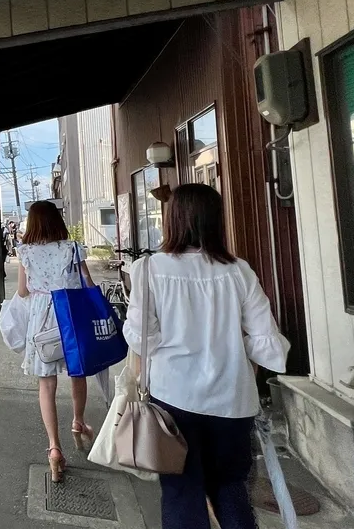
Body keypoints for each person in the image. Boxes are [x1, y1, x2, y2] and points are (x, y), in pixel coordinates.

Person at [123, 184, 289, 529]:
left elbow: (143, 339)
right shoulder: (239, 271)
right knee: (231, 491)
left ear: (173, 221)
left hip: (173, 398)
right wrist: (243, 375)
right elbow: (263, 338)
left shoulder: (149, 269)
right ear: (216, 221)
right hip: (233, 401)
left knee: (182, 491)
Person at [15, 200, 93, 483]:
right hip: (70, 314)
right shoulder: (72, 248)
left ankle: (54, 448)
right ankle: (78, 422)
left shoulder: (26, 252)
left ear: (32, 223)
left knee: (46, 385)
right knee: (77, 373)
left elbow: (22, 291)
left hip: (41, 318)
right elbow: (89, 284)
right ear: (57, 220)